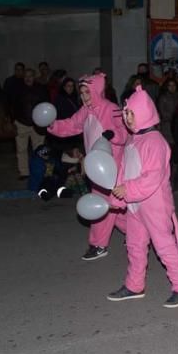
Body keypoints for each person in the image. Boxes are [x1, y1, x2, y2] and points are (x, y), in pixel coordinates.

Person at [107, 88, 178, 307]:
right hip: (135, 204)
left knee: (164, 244)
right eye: (125, 114)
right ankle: (134, 285)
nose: (127, 118)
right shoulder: (133, 139)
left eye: (131, 114)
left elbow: (152, 177)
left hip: (154, 204)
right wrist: (118, 196)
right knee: (135, 245)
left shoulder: (155, 141)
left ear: (144, 113)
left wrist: (127, 190)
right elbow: (124, 170)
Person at [48, 73, 128, 261]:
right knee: (113, 207)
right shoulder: (86, 110)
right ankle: (138, 233)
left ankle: (98, 245)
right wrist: (52, 125)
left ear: (97, 91)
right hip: (95, 167)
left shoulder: (111, 109)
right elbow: (72, 125)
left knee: (103, 206)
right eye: (82, 92)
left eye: (88, 92)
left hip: (111, 167)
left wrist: (113, 135)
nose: (84, 96)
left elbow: (125, 133)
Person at [12, 69, 50, 179]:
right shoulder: (18, 89)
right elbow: (12, 105)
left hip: (38, 124)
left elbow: (47, 105)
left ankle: (38, 170)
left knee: (39, 150)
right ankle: (24, 172)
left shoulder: (41, 89)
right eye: (26, 76)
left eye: (30, 76)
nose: (28, 78)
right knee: (21, 149)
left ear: (34, 77)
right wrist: (14, 119)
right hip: (21, 123)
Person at [157, 79, 178, 144]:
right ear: (166, 86)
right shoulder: (163, 97)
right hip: (167, 125)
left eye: (174, 85)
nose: (172, 87)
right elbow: (162, 112)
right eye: (170, 85)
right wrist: (173, 118)